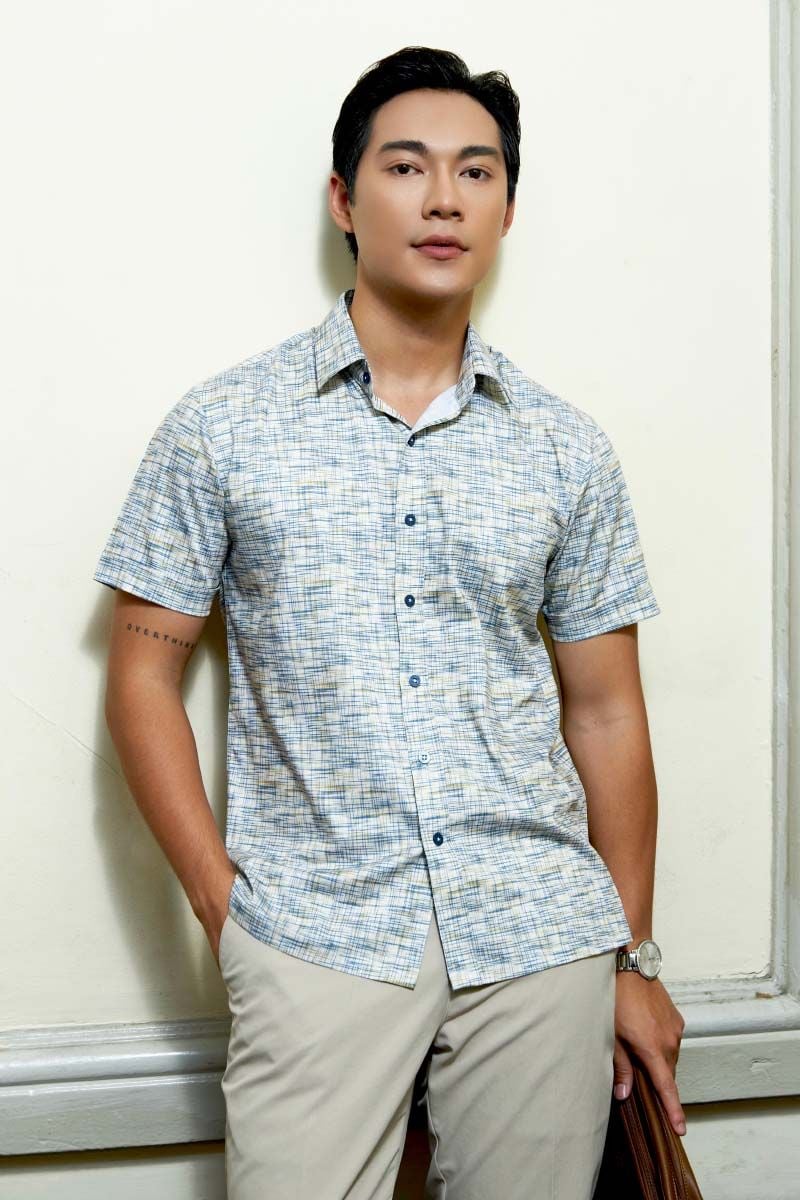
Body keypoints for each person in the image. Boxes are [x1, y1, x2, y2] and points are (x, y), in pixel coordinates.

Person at [94, 44, 686, 1200]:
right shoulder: (222, 427)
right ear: (343, 198)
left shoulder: (565, 449)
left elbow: (607, 713)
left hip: (537, 937)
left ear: (505, 208)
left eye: (475, 171)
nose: (441, 198)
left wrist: (631, 954)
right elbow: (139, 679)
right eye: (406, 166)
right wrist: (226, 909)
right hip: (314, 934)